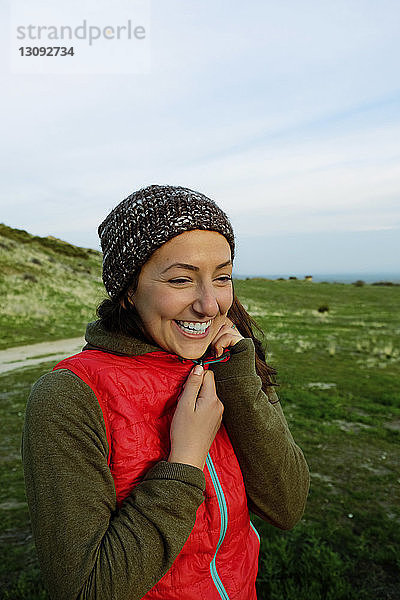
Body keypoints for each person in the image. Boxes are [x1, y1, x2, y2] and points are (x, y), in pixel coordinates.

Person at [22, 184, 310, 600]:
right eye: (180, 279)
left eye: (222, 277)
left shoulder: (228, 363)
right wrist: (186, 459)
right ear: (128, 290)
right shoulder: (69, 398)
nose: (210, 305)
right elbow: (85, 590)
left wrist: (241, 385)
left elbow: (287, 506)